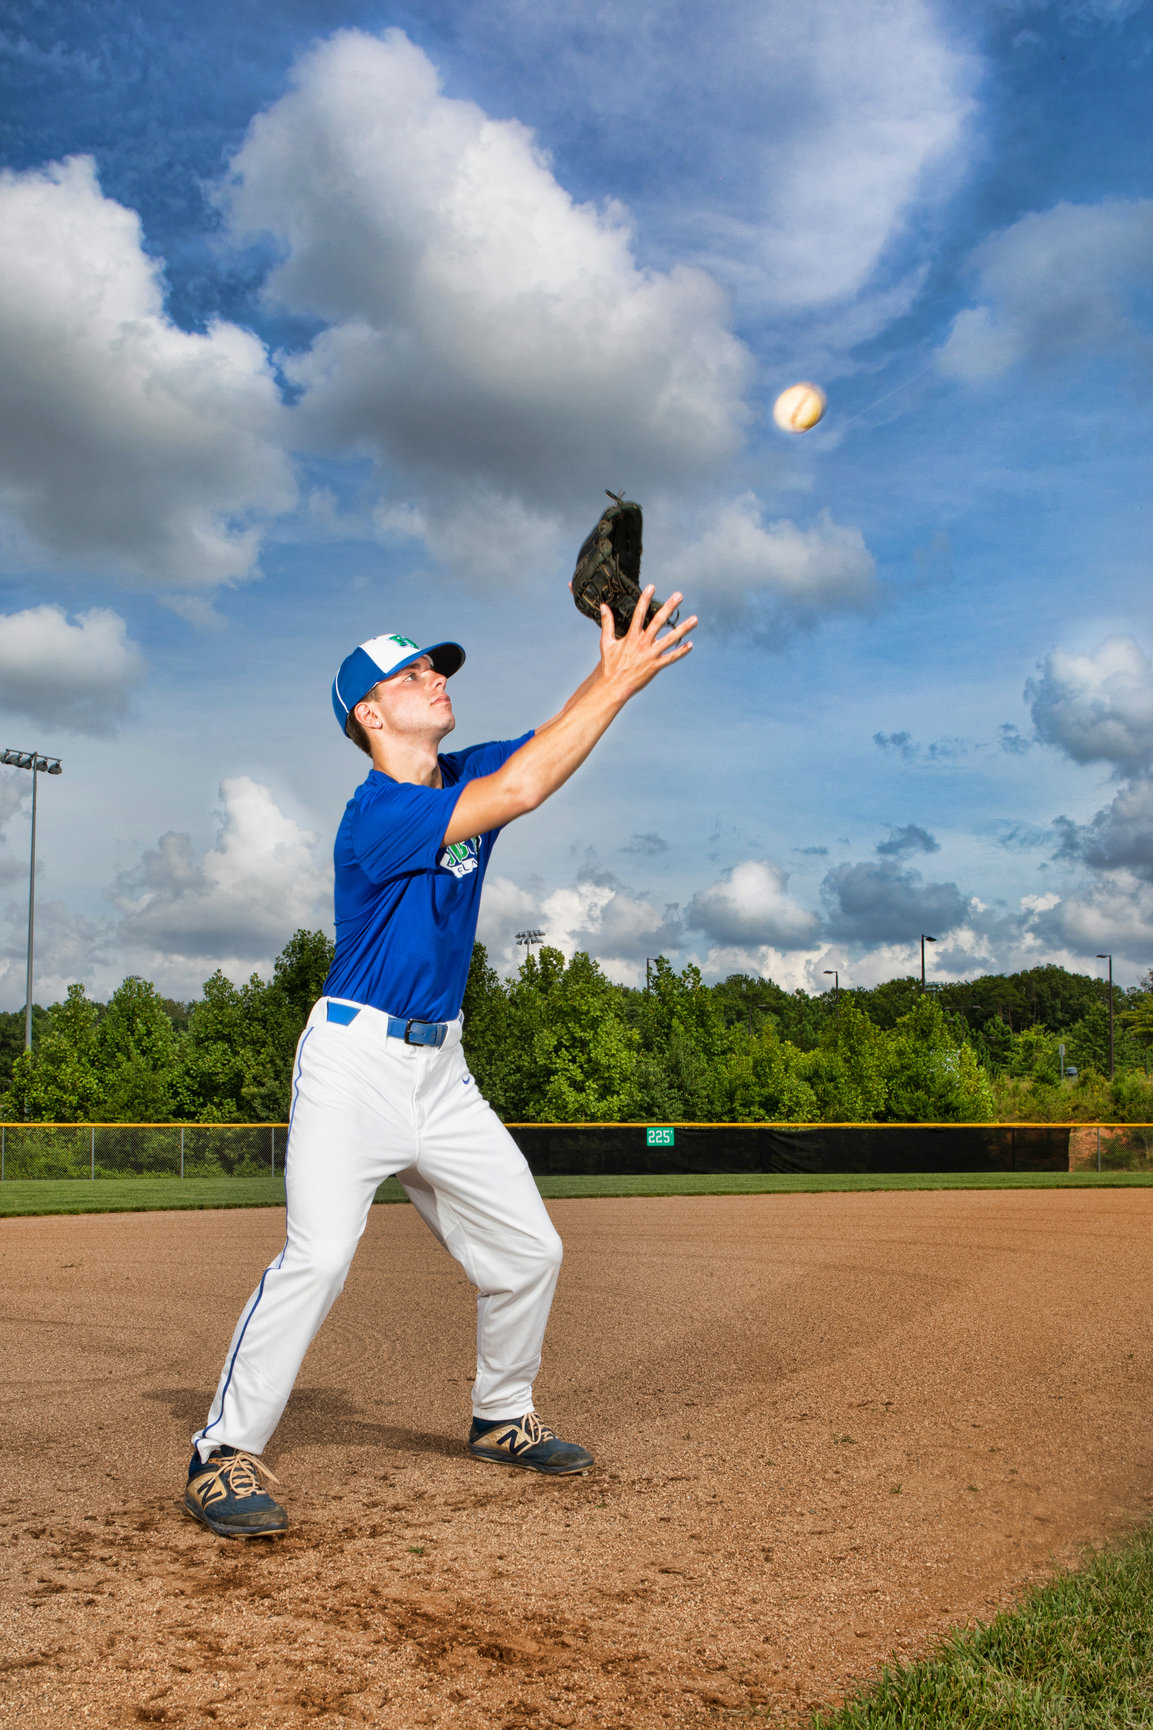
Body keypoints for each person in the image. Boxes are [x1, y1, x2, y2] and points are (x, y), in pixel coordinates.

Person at [184, 584, 696, 1537]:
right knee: (321, 1255)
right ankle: (221, 1453)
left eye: (436, 666)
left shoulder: (462, 777)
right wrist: (620, 680)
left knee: (529, 1252)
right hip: (352, 1066)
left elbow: (547, 748)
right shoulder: (376, 814)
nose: (433, 676)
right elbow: (524, 787)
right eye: (410, 672)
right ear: (368, 715)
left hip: (441, 1073)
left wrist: (607, 668)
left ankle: (501, 1415)